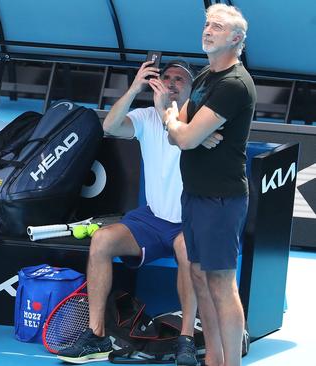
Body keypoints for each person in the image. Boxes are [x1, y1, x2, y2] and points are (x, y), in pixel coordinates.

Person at [57, 60, 223, 365]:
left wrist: (167, 112)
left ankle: (185, 339)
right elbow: (109, 126)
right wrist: (135, 88)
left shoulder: (201, 120)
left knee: (187, 249)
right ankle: (96, 337)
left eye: (180, 78)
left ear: (193, 87)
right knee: (103, 241)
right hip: (153, 218)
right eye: (166, 77)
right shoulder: (146, 117)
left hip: (192, 218)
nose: (172, 82)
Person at [163, 4, 255, 366]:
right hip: (195, 195)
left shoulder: (234, 84)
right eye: (206, 24)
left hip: (221, 199)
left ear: (235, 39)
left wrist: (181, 126)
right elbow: (179, 135)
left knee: (220, 282)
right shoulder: (204, 77)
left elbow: (183, 136)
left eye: (217, 26)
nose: (207, 29)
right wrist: (181, 125)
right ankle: (213, 359)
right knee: (200, 276)